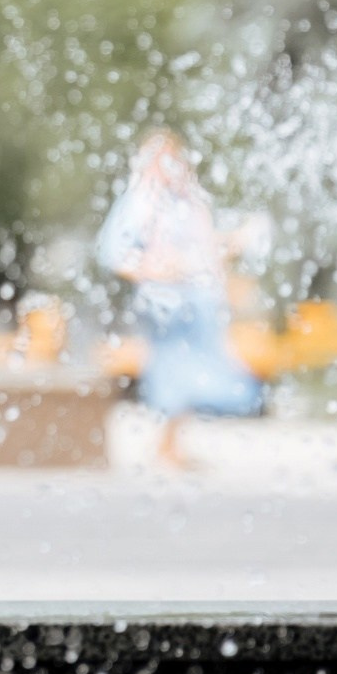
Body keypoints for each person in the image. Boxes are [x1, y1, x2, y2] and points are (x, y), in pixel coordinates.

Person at [97, 130, 263, 473]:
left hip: (194, 303)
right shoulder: (142, 202)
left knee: (190, 369)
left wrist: (234, 242)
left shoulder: (185, 202)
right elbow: (114, 254)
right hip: (165, 306)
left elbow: (200, 252)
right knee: (173, 369)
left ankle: (168, 444)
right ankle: (165, 447)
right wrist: (156, 270)